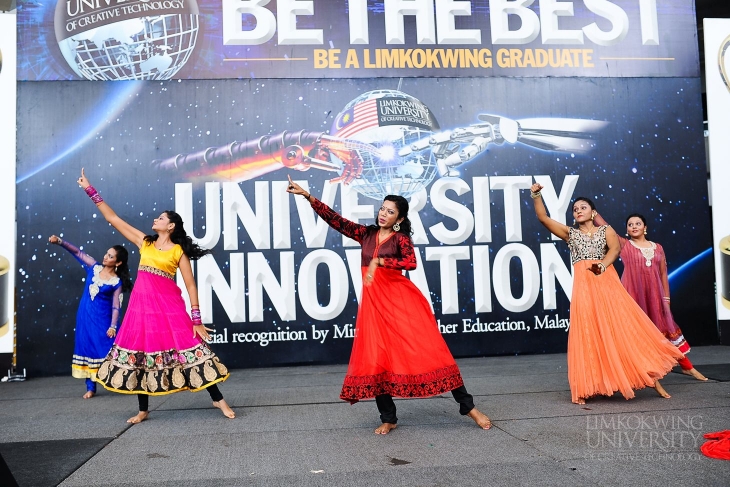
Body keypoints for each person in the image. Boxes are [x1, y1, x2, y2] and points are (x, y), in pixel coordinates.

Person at [286, 175, 491, 434]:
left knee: (433, 352)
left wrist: (381, 262)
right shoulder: (366, 233)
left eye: (390, 212)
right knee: (378, 360)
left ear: (400, 219)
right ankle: (389, 417)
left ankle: (469, 408)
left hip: (401, 303)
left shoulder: (400, 239)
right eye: (382, 208)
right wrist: (308, 196)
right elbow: (335, 220)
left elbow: (410, 263)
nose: (383, 214)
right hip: (374, 308)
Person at [77, 168, 234, 423]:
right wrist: (89, 189)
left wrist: (196, 319)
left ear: (170, 226)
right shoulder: (145, 243)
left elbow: (191, 286)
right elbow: (113, 218)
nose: (156, 219)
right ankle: (143, 410)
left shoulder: (177, 252)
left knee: (191, 350)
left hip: (170, 308)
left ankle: (218, 400)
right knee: (141, 354)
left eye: (161, 218)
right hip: (141, 309)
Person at [528, 182, 684, 404]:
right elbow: (543, 218)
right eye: (575, 209)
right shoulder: (570, 234)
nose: (579, 210)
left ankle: (648, 374)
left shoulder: (605, 230)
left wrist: (602, 266)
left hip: (608, 286)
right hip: (584, 289)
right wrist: (536, 195)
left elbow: (615, 249)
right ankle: (585, 387)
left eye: (583, 207)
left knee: (621, 329)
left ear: (593, 212)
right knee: (588, 333)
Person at [592, 212, 707, 381]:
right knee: (636, 335)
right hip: (632, 298)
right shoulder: (624, 245)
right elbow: (607, 229)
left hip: (655, 298)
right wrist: (595, 214)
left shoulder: (658, 248)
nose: (634, 227)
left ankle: (687, 367)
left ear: (645, 228)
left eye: (638, 223)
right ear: (626, 230)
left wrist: (665, 299)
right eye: (630, 225)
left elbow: (662, 274)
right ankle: (638, 375)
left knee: (664, 333)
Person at [49, 235, 132, 398]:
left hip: (103, 320)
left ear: (118, 262)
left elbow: (116, 306)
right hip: (85, 318)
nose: (105, 257)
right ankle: (90, 387)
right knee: (86, 347)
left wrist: (113, 326)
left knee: (108, 348)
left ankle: (121, 380)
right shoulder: (93, 268)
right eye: (107, 254)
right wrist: (60, 242)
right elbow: (78, 253)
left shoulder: (116, 282)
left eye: (110, 256)